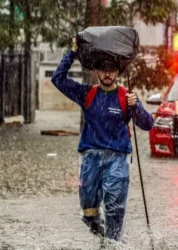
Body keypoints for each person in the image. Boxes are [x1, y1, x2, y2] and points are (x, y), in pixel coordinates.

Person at [51, 38, 153, 242]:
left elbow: (148, 124)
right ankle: (105, 239)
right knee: (89, 214)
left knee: (114, 207)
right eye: (103, 70)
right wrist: (72, 53)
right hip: (90, 159)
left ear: (117, 72)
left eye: (112, 70)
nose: (107, 74)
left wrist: (137, 107)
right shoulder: (86, 93)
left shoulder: (126, 97)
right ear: (97, 71)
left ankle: (112, 243)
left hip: (117, 159)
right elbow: (58, 79)